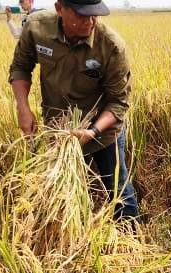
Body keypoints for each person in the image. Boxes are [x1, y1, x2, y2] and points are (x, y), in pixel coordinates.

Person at [9, 0, 139, 220]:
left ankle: (132, 237)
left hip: (102, 132)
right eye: (82, 15)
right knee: (65, 190)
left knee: (118, 189)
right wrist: (23, 107)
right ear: (60, 8)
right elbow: (21, 67)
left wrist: (93, 132)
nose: (90, 22)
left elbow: (118, 102)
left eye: (95, 15)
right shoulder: (36, 28)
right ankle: (73, 237)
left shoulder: (111, 46)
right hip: (59, 129)